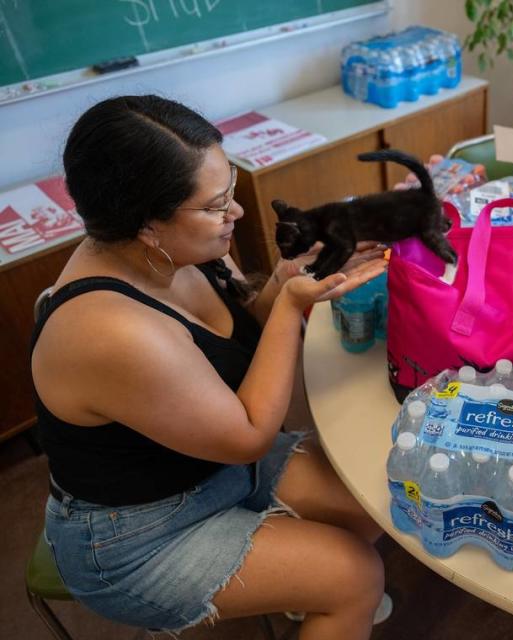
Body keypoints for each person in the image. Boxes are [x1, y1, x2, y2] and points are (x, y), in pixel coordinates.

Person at [31, 95, 389, 639]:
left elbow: (240, 334)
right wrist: (293, 303)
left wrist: (285, 278)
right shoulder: (109, 332)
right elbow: (247, 435)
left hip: (205, 463)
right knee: (356, 577)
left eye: (230, 192)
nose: (237, 214)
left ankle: (306, 591)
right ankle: (332, 598)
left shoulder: (183, 245)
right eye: (218, 204)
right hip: (136, 533)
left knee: (369, 503)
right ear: (148, 224)